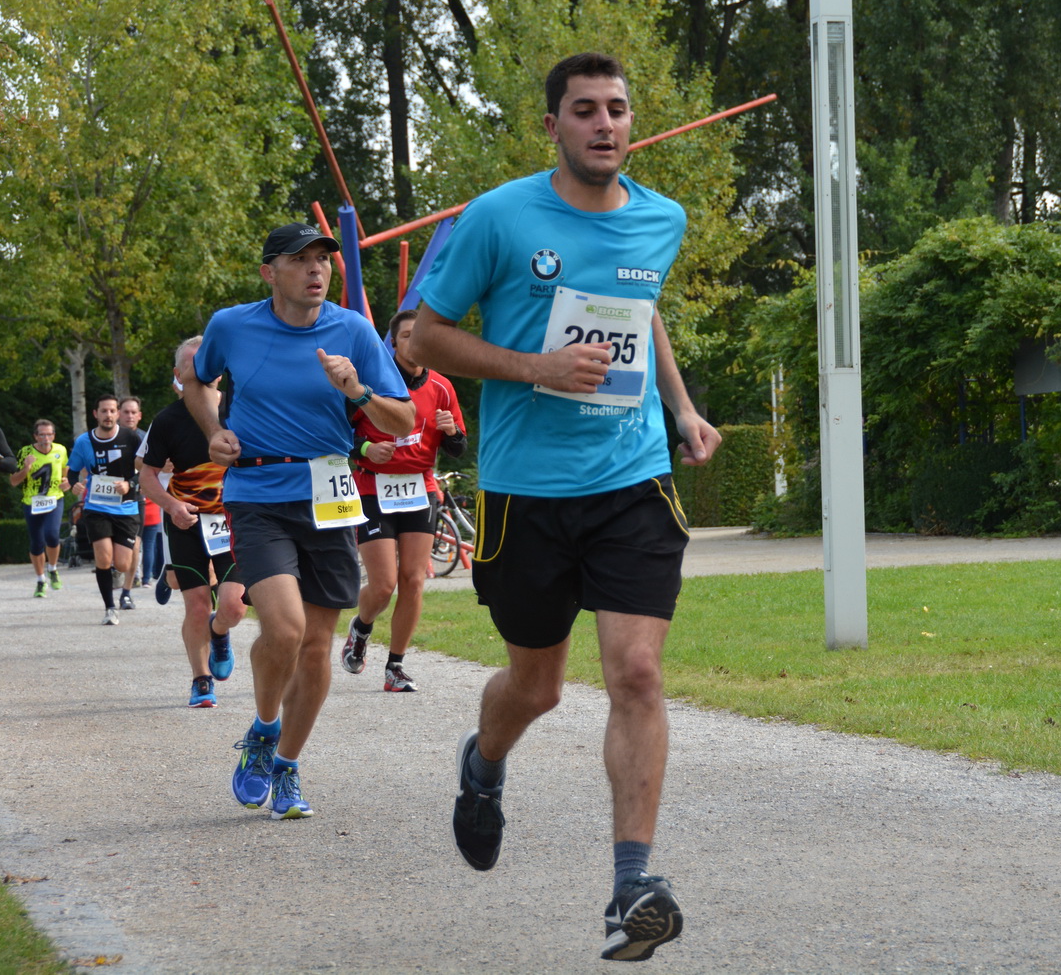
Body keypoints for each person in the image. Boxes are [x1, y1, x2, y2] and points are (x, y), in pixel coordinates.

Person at [412, 52, 720, 963]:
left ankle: (633, 886)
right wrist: (535, 367)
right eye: (584, 110)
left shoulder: (662, 218)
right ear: (553, 126)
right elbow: (425, 334)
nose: (604, 124)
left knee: (638, 673)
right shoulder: (499, 217)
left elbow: (642, 307)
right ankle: (483, 762)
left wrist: (681, 406)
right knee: (536, 687)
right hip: (527, 493)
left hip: (631, 480)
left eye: (616, 108)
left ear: (632, 121)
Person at [185, 222, 413, 819]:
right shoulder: (232, 325)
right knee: (284, 629)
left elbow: (402, 419)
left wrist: (357, 391)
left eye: (324, 259)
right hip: (257, 491)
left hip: (329, 495)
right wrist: (214, 431)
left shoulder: (353, 331)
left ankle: (286, 765)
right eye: (301, 259)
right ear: (270, 272)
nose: (317, 269)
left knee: (315, 648)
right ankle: (264, 730)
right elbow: (196, 380)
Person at [341, 308, 468, 693]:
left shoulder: (442, 387)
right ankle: (361, 628)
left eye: (420, 335)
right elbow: (336, 435)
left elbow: (459, 447)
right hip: (372, 487)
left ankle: (395, 666)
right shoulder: (370, 385)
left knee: (413, 580)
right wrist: (366, 448)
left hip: (419, 489)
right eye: (407, 335)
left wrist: (451, 433)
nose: (414, 342)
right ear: (393, 343)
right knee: (383, 585)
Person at [141, 336, 250, 709]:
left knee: (234, 606)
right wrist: (172, 506)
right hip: (186, 522)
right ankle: (201, 680)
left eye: (207, 363)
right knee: (198, 605)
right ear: (178, 374)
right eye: (191, 364)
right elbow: (146, 476)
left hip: (233, 521)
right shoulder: (167, 420)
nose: (201, 371)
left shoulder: (240, 409)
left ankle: (219, 633)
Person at [68, 396, 145, 623]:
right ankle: (110, 608)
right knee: (103, 558)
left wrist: (129, 484)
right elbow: (72, 472)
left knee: (122, 563)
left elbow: (146, 469)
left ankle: (120, 581)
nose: (108, 415)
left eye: (112, 411)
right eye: (104, 411)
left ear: (117, 414)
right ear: (96, 414)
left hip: (126, 507)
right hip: (97, 507)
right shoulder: (84, 441)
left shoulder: (131, 438)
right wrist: (74, 485)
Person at [10, 420, 69, 596]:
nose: (46, 438)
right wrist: (26, 467)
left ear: (54, 436)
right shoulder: (25, 452)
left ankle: (53, 568)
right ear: (35, 436)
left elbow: (65, 472)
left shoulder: (60, 450)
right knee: (36, 543)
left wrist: (66, 482)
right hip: (32, 502)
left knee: (52, 535)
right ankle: (40, 580)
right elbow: (13, 481)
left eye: (49, 434)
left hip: (54, 499)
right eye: (42, 435)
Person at [119, 396, 155, 594]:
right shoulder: (108, 436)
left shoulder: (146, 437)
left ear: (140, 415)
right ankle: (119, 572)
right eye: (126, 412)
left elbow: (154, 465)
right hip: (110, 497)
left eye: (133, 412)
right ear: (119, 414)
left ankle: (133, 582)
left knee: (137, 540)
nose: (130, 416)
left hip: (137, 495)